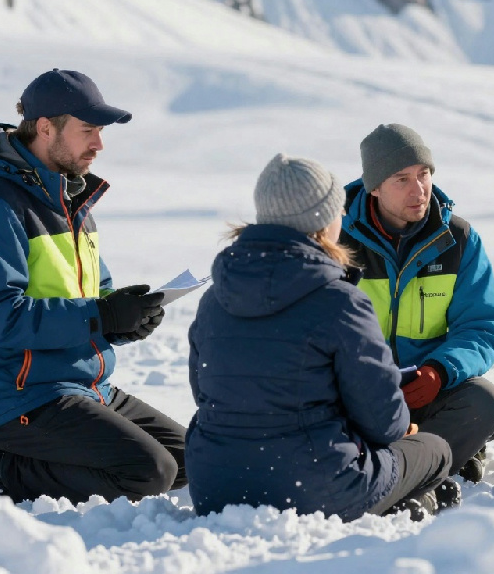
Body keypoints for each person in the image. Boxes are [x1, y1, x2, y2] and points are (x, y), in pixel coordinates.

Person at [0, 69, 185, 504]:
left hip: (84, 385)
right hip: (15, 396)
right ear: (45, 127)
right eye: (87, 130)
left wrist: (124, 318)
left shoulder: (70, 202)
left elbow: (94, 296)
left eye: (101, 131)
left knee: (193, 461)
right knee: (149, 472)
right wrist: (101, 316)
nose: (99, 144)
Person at [185, 154, 455, 520]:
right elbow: (384, 423)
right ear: (323, 220)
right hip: (315, 490)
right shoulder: (339, 301)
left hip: (214, 488)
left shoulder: (214, 298)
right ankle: (403, 503)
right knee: (434, 448)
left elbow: (204, 394)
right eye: (338, 211)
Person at [341, 124, 494, 484]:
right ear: (374, 187)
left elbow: (481, 325)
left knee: (483, 402)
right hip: (354, 395)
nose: (418, 190)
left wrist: (440, 370)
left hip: (426, 391)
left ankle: (397, 470)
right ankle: (432, 461)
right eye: (401, 179)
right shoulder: (335, 240)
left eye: (424, 174)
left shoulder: (458, 239)